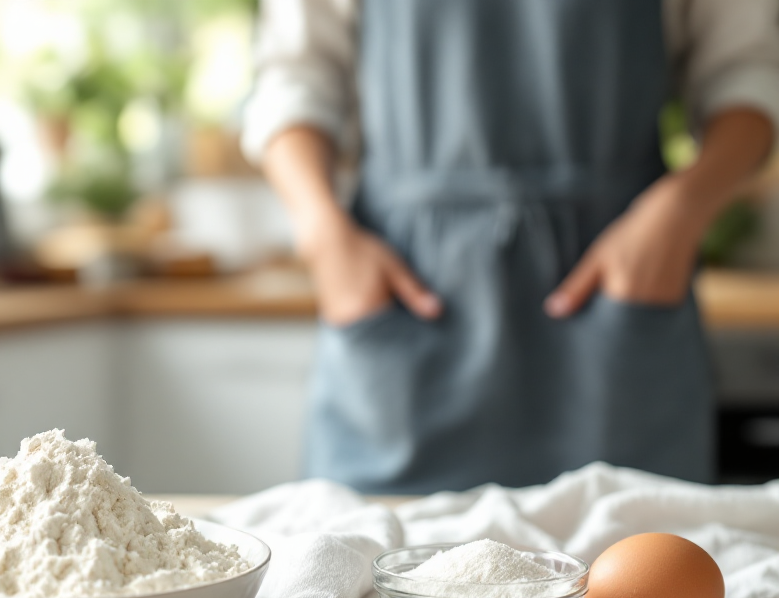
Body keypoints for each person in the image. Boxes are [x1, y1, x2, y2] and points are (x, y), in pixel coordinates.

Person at [245, 0, 779, 494]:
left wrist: (680, 212)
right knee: (371, 574)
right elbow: (297, 78)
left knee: (633, 566)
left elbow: (746, 75)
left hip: (617, 297)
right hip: (404, 302)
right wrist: (323, 231)